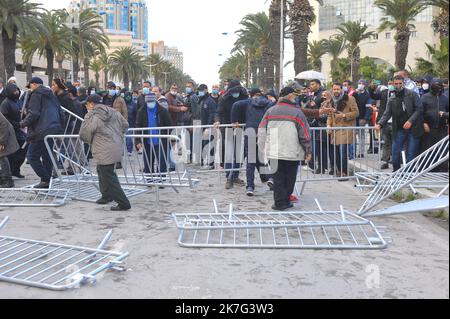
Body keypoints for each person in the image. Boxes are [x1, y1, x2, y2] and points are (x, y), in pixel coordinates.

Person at [258, 86, 312, 211]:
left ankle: (279, 202)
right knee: (290, 177)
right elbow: (304, 133)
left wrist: (262, 147)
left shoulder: (270, 111)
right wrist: (308, 150)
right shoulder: (297, 112)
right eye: (294, 95)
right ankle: (286, 200)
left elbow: (261, 130)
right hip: (292, 151)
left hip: (274, 151)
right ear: (290, 97)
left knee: (278, 178)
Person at [79, 94, 131, 211]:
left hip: (102, 148)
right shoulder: (114, 112)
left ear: (92, 104)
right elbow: (125, 125)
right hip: (115, 146)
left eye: (87, 104)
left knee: (108, 175)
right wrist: (116, 135)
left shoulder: (92, 116)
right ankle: (106, 196)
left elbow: (84, 133)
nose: (87, 106)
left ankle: (123, 203)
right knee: (102, 171)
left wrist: (90, 141)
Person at [20, 77, 64, 189]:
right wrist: (59, 128)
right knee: (47, 156)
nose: (30, 89)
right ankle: (46, 181)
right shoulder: (51, 94)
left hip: (40, 131)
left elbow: (33, 114)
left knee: (32, 157)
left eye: (30, 86)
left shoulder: (36, 94)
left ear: (34, 84)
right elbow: (60, 112)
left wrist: (22, 123)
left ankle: (45, 179)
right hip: (52, 129)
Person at [377, 75, 424, 172]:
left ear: (404, 83)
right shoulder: (392, 98)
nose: (398, 85)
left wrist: (410, 121)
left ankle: (409, 174)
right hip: (399, 129)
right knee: (395, 151)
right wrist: (380, 124)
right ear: (393, 84)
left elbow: (419, 108)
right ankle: (396, 172)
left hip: (413, 128)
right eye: (396, 84)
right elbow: (387, 114)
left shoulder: (412, 94)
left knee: (411, 152)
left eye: (400, 83)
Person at [232, 88, 274, 195]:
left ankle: (250, 186)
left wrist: (234, 120)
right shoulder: (268, 103)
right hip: (263, 132)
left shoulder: (247, 102)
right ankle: (270, 178)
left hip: (250, 132)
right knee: (265, 158)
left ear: (251, 95)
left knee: (250, 161)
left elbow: (236, 105)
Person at [214, 80, 249, 187]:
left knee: (239, 154)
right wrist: (217, 120)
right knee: (229, 154)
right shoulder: (223, 99)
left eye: (238, 90)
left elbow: (248, 111)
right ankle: (228, 177)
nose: (236, 92)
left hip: (240, 128)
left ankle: (235, 176)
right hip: (227, 128)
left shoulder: (244, 97)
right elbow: (218, 112)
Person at [326, 83, 359, 180]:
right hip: (335, 130)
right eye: (334, 89)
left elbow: (356, 112)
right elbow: (329, 115)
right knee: (336, 152)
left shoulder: (350, 99)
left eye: (338, 89)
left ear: (342, 89)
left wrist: (344, 115)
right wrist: (328, 125)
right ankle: (339, 171)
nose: (336, 91)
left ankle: (344, 172)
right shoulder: (331, 100)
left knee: (343, 152)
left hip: (345, 128)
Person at [135, 93, 173, 176]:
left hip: (161, 142)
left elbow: (169, 125)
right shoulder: (141, 111)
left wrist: (166, 136)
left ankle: (161, 180)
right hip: (147, 141)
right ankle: (149, 179)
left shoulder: (163, 111)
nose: (150, 103)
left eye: (152, 101)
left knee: (162, 162)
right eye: (148, 101)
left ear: (155, 101)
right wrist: (137, 140)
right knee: (148, 162)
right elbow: (138, 126)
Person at [420, 78, 449, 172]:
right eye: (435, 86)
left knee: (442, 150)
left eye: (439, 86)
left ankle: (442, 169)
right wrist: (423, 123)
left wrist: (445, 115)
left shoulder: (445, 98)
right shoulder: (424, 97)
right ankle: (426, 170)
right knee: (428, 150)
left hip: (442, 129)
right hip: (428, 129)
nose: (437, 88)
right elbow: (419, 113)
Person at [0, 83, 27, 179]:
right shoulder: (5, 103)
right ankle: (9, 172)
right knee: (13, 153)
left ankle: (16, 169)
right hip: (12, 131)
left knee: (23, 152)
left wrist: (24, 114)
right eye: (14, 91)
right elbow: (5, 120)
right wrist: (17, 124)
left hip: (21, 130)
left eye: (17, 90)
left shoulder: (18, 101)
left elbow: (23, 113)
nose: (16, 92)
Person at [369, 80, 396, 169]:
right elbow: (374, 96)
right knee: (385, 142)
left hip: (395, 121)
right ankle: (385, 161)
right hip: (384, 121)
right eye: (390, 83)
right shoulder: (384, 92)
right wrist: (371, 88)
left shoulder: (400, 93)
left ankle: (394, 159)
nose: (391, 85)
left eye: (393, 84)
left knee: (395, 142)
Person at [0, 110, 20, 187]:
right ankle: (3, 178)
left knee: (2, 156)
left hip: (5, 135)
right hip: (3, 134)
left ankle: (8, 181)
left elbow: (4, 124)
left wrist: (2, 141)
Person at [124, 90, 137, 156]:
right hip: (123, 123)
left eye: (129, 96)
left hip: (131, 123)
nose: (128, 97)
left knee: (129, 138)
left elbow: (136, 114)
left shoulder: (134, 104)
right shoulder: (123, 103)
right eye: (127, 96)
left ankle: (129, 150)